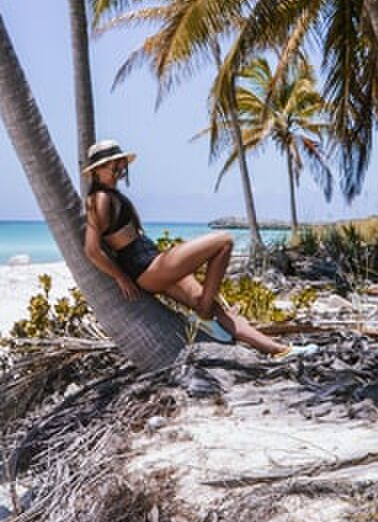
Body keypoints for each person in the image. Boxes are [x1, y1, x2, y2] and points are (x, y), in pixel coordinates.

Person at [80, 139, 318, 360]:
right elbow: (91, 249)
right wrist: (121, 277)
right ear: (97, 169)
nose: (118, 166)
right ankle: (202, 315)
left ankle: (280, 351)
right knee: (223, 241)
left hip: (151, 262)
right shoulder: (99, 198)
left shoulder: (112, 195)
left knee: (216, 308)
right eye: (111, 163)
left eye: (119, 162)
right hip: (146, 267)